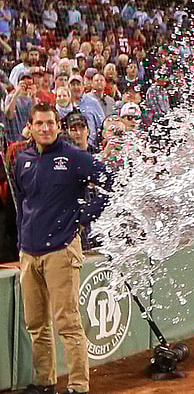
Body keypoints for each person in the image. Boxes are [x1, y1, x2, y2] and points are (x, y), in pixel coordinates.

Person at [15, 103, 112, 394]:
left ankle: (78, 386)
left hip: (61, 249)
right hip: (29, 252)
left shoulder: (74, 157)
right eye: (39, 123)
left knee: (67, 323)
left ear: (59, 127)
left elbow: (110, 180)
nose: (45, 128)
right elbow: (23, 201)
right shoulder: (23, 159)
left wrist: (85, 216)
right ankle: (44, 382)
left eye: (50, 123)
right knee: (36, 324)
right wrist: (21, 237)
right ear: (30, 127)